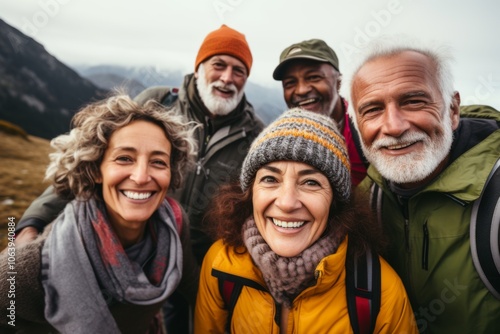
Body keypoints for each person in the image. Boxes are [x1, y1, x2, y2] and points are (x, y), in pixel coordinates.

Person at [13, 24, 264, 334]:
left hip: (200, 266)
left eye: (239, 70)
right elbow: (88, 159)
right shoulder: (158, 103)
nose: (227, 77)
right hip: (140, 249)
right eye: (218, 65)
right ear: (199, 68)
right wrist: (32, 221)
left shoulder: (255, 136)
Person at [194, 108, 417, 333]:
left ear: (335, 202)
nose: (287, 203)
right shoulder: (220, 265)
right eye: (270, 179)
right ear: (250, 193)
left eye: (310, 182)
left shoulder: (381, 292)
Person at [0, 94, 199, 333]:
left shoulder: (174, 225)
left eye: (158, 162)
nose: (141, 176)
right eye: (124, 158)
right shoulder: (31, 267)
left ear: (171, 173)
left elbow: (193, 285)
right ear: (95, 170)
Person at [348, 40, 500, 333]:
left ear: (453, 109)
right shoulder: (364, 203)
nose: (393, 126)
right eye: (372, 109)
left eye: (413, 101)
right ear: (357, 126)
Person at [273, 38, 368, 185]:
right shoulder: (282, 141)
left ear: (339, 82)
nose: (301, 90)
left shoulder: (366, 128)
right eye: (290, 83)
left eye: (313, 77)